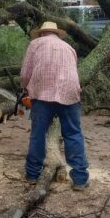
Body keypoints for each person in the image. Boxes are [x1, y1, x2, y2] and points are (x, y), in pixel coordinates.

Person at [20, 21, 89, 191]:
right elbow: (73, 71)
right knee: (73, 134)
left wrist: (25, 89)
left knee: (38, 134)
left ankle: (32, 174)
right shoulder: (68, 47)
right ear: (57, 34)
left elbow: (25, 74)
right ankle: (80, 179)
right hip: (70, 92)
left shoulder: (35, 44)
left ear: (42, 33)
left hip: (42, 93)